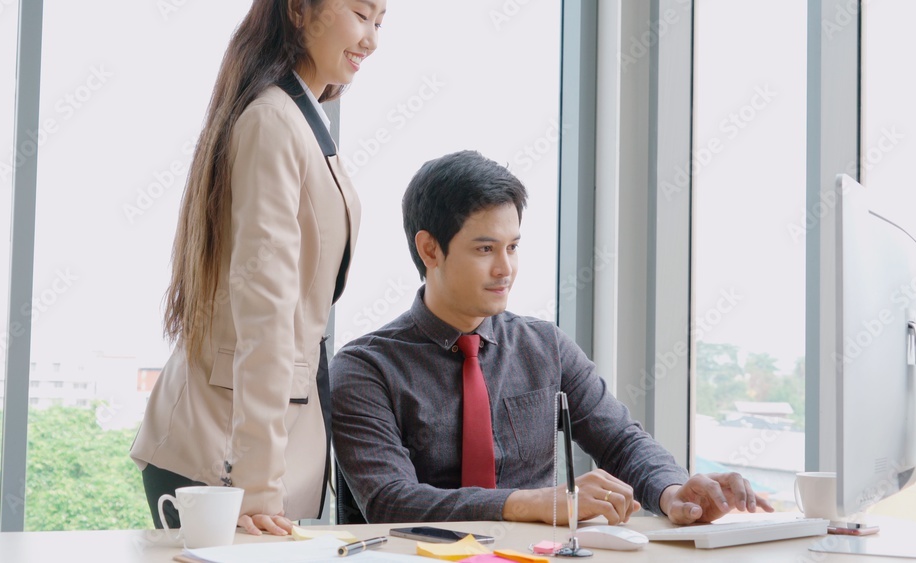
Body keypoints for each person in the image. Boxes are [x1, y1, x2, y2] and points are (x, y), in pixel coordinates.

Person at [331, 150, 774, 525]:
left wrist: (672, 491)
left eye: (513, 246)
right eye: (485, 249)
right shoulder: (365, 368)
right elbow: (390, 500)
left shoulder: (544, 347)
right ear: (430, 249)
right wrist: (532, 503)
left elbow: (620, 440)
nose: (505, 269)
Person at [130, 0, 386, 536]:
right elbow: (265, 312)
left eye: (381, 22)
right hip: (223, 458)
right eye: (361, 15)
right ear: (300, 10)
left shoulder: (296, 118)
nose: (372, 40)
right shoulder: (273, 119)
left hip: (253, 446)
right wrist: (258, 485)